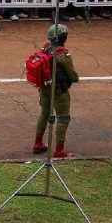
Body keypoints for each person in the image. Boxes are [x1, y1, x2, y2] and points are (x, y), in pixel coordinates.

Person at [31, 24, 80, 157]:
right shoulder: (63, 55)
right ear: (64, 38)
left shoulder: (45, 49)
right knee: (63, 118)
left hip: (44, 88)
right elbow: (73, 76)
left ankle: (38, 143)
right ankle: (59, 151)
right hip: (59, 91)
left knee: (44, 114)